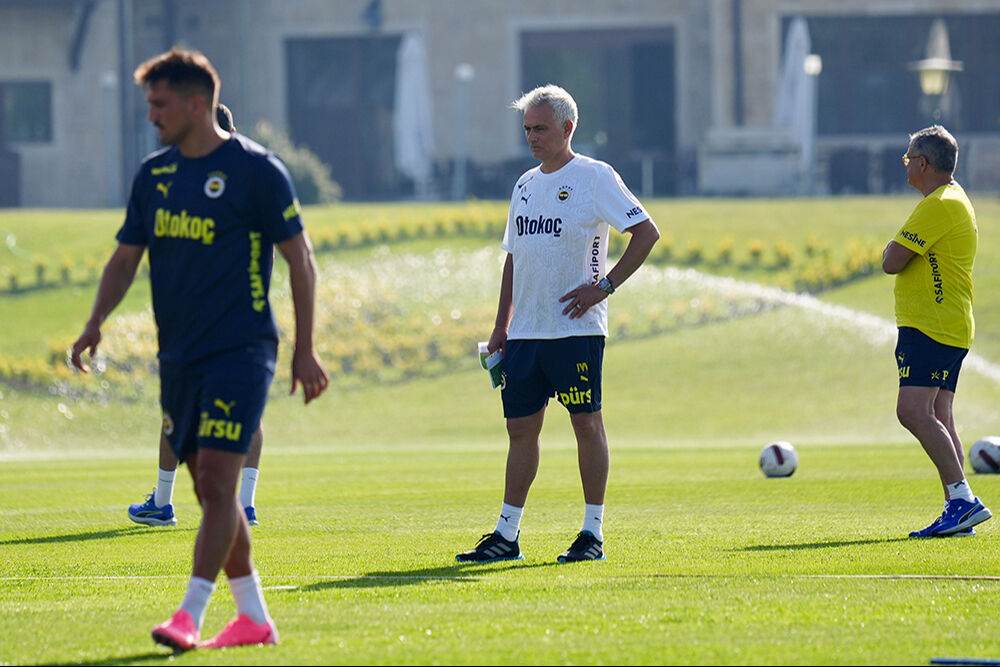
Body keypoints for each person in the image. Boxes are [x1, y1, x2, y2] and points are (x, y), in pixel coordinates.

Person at [71, 48, 328, 650]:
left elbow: (300, 259)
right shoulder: (153, 176)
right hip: (178, 355)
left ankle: (189, 614)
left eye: (159, 104)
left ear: (195, 103)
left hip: (242, 349)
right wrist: (94, 322)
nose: (151, 115)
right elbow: (125, 258)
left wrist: (305, 348)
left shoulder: (257, 171)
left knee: (215, 479)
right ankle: (254, 618)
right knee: (209, 489)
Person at [456, 85, 659, 564]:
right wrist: (501, 325)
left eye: (540, 129)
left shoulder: (594, 176)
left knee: (586, 424)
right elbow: (514, 257)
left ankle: (592, 534)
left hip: (575, 330)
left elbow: (646, 232)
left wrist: (604, 287)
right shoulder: (524, 184)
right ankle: (507, 535)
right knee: (520, 430)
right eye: (527, 129)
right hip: (526, 333)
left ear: (568, 128)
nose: (532, 137)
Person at [127, 103, 266, 529]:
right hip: (239, 320)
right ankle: (242, 505)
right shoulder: (251, 179)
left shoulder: (206, 183)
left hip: (206, 322)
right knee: (244, 413)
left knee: (179, 412)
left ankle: (164, 502)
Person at [882, 124, 991, 538]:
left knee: (912, 411)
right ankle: (957, 508)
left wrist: (892, 248)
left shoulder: (938, 205)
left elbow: (892, 260)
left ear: (924, 163)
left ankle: (963, 501)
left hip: (931, 324)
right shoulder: (953, 198)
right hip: (948, 323)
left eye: (908, 158)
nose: (906, 165)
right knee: (940, 415)